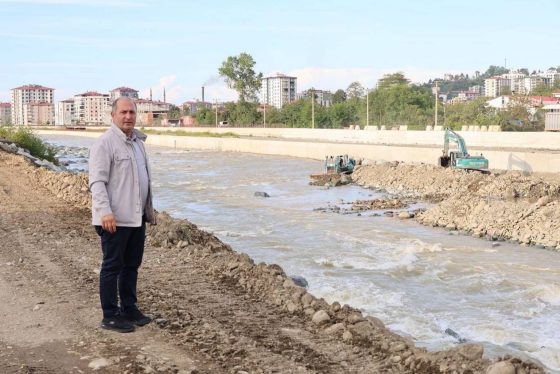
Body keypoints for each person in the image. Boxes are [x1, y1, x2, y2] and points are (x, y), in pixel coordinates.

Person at [88, 97, 156, 333]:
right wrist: (105, 212)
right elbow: (97, 182)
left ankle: (129, 308)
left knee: (131, 266)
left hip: (136, 218)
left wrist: (148, 210)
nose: (128, 116)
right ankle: (110, 315)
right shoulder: (105, 144)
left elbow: (141, 178)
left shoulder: (137, 142)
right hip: (114, 220)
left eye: (132, 112)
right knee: (112, 266)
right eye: (123, 112)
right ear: (113, 115)